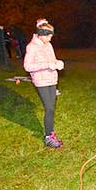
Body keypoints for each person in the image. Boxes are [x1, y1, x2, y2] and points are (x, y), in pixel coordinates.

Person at [24, 18, 64, 148]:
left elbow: (52, 60)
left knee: (51, 108)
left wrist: (58, 63)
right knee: (49, 108)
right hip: (41, 81)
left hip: (52, 79)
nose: (50, 39)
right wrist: (47, 65)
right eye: (48, 36)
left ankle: (51, 134)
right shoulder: (31, 47)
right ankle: (48, 137)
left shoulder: (48, 45)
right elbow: (27, 66)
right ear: (41, 34)